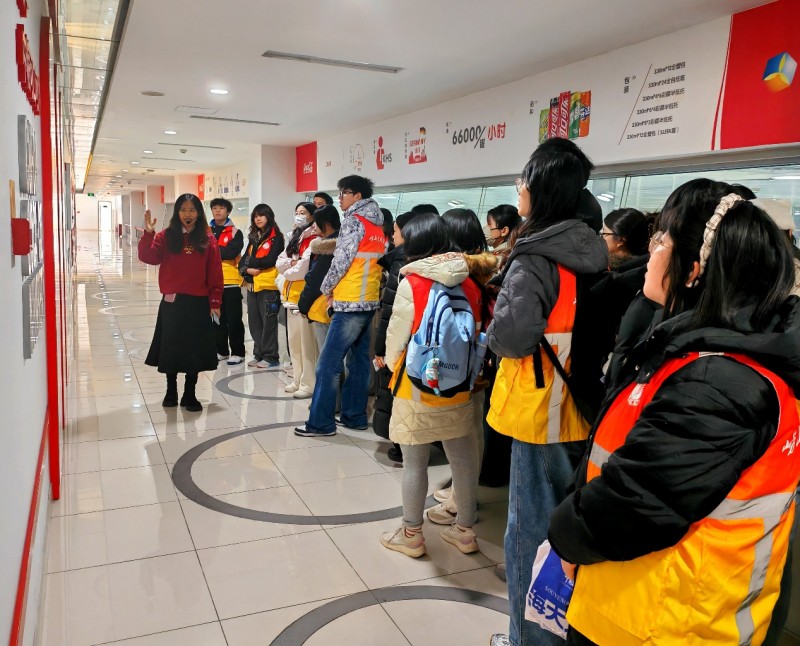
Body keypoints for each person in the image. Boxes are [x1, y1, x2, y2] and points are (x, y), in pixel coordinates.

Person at [548, 194, 800, 646]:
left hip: (664, 619)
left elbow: (640, 499)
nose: (651, 252)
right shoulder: (706, 354)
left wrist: (567, 535)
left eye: (661, 240)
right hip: (650, 604)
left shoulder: (719, 382)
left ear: (693, 270)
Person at [487, 138, 609, 646]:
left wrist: (491, 331)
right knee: (565, 533)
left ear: (541, 189)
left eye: (524, 179)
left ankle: (525, 640)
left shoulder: (534, 256)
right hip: (583, 404)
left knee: (528, 534)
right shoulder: (592, 250)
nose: (519, 187)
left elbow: (512, 338)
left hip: (541, 409)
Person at [379, 213, 496, 558]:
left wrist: (391, 365)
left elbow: (396, 338)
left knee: (414, 462)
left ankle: (411, 535)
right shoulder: (471, 282)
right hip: (460, 385)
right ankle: (464, 532)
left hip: (417, 386)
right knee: (463, 459)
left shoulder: (412, 282)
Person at [295, 175, 385, 437]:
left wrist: (327, 289)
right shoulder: (377, 224)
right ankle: (354, 416)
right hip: (368, 299)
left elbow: (341, 261)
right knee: (359, 362)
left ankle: (320, 423)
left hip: (349, 301)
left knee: (328, 364)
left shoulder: (354, 221)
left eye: (344, 192)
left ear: (358, 196)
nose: (340, 197)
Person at [138, 194, 223, 413]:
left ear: (199, 213)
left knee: (194, 349)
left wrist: (215, 300)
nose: (188, 214)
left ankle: (190, 393)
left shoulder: (207, 238)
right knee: (172, 347)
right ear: (177, 212)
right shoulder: (166, 236)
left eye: (192, 210)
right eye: (183, 209)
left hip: (198, 303)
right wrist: (148, 233)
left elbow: (215, 271)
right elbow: (149, 257)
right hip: (173, 303)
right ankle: (171, 390)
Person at [373, 210, 421, 463]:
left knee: (395, 390)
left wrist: (380, 349)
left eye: (395, 230)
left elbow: (391, 310)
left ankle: (400, 446)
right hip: (416, 343)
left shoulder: (402, 260)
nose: (392, 235)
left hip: (400, 340)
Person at [277, 202, 320, 398]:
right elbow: (279, 262)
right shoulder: (294, 237)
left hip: (304, 298)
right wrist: (290, 265)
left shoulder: (315, 239)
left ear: (312, 216)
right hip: (289, 296)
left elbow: (302, 270)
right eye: (296, 212)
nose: (298, 216)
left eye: (303, 212)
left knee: (307, 345)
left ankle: (308, 383)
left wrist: (289, 267)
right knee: (294, 342)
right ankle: (297, 378)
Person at [239, 204, 284, 368]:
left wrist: (249, 263)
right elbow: (242, 260)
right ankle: (258, 354)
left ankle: (271, 357)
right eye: (255, 216)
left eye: (261, 215)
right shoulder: (253, 237)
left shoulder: (276, 237)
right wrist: (247, 269)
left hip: (268, 286)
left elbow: (271, 260)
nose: (258, 219)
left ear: (269, 217)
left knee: (268, 323)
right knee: (254, 323)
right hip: (252, 285)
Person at [297, 205, 341, 353]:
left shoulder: (327, 248)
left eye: (316, 222)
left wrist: (303, 304)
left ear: (326, 224)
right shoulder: (343, 243)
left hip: (324, 307)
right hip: (339, 306)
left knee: (327, 354)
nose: (313, 225)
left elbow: (315, 279)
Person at [209, 197, 246, 365]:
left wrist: (211, 250)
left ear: (228, 211)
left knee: (234, 319)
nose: (218, 211)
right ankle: (221, 351)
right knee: (217, 318)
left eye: (221, 208)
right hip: (211, 282)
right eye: (215, 208)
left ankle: (238, 352)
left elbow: (231, 253)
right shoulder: (206, 231)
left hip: (230, 281)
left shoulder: (235, 232)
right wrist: (219, 250)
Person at [485, 204, 521, 269]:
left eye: (489, 224)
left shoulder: (500, 261)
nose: (485, 227)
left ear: (504, 231)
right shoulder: (512, 252)